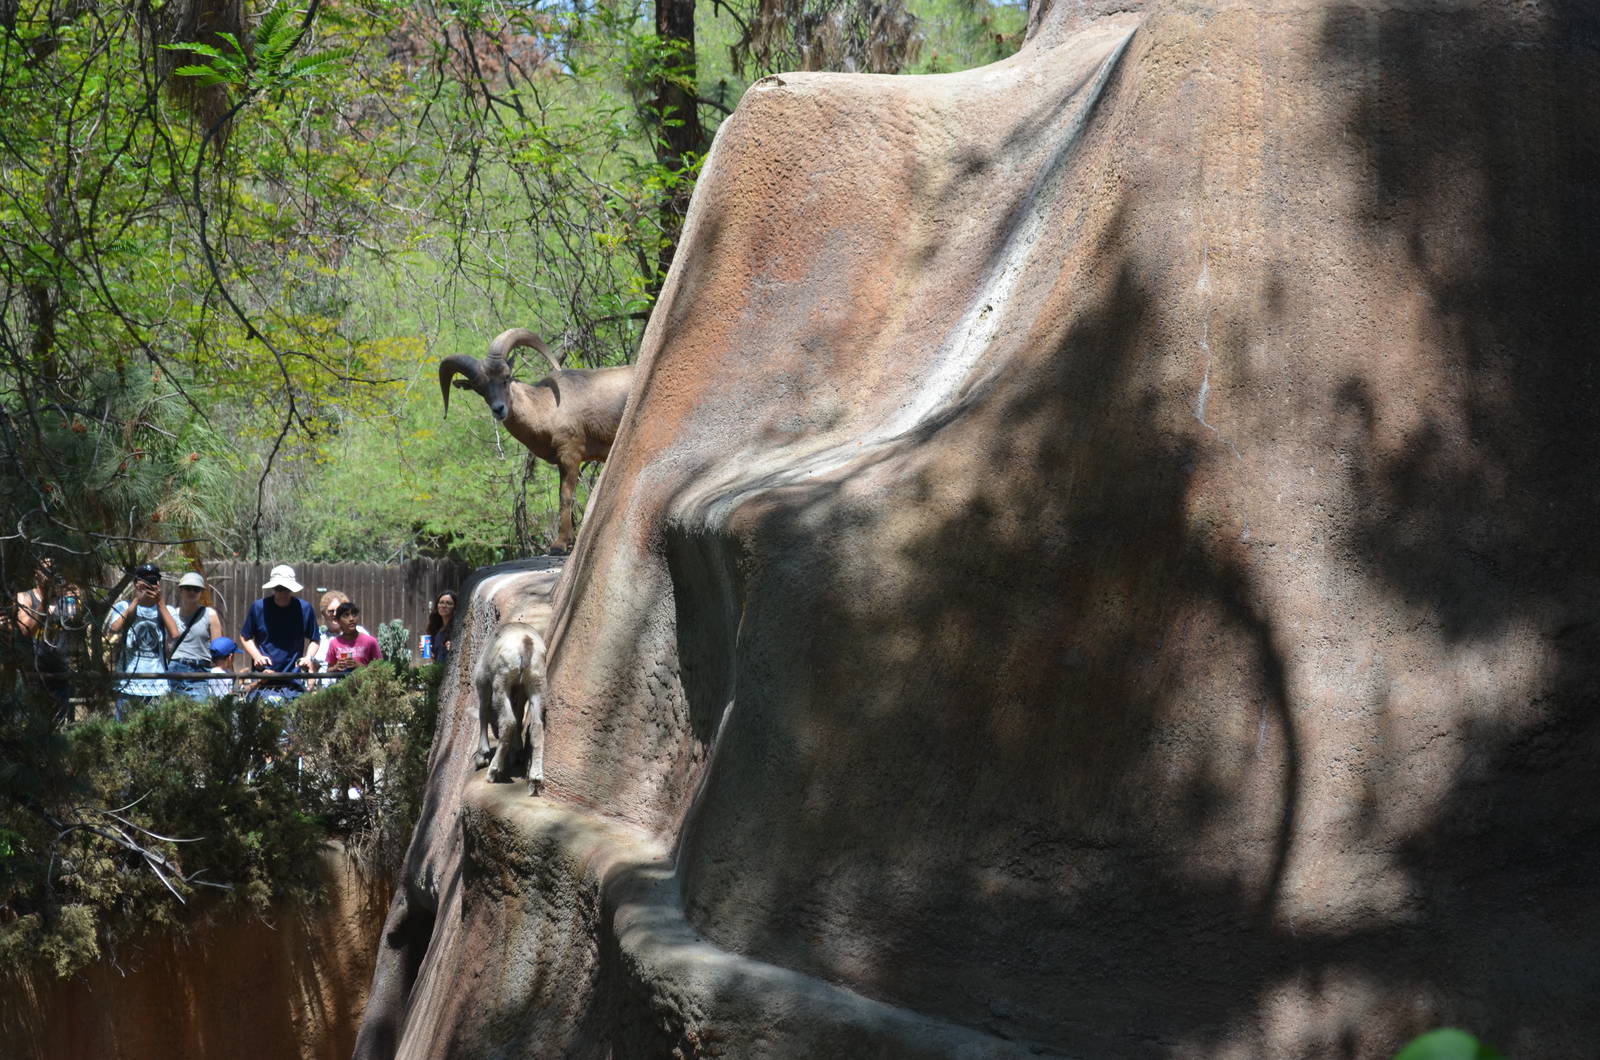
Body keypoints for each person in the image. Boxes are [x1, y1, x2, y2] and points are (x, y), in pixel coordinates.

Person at [106, 562, 177, 717]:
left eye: (152, 582)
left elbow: (175, 634)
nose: (148, 586)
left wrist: (160, 602)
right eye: (144, 582)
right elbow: (114, 628)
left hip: (157, 685)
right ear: (135, 584)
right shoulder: (123, 606)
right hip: (127, 683)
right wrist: (136, 601)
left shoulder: (166, 609)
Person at [238, 564, 318, 700]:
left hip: (294, 681)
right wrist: (257, 656)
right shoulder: (259, 607)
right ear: (273, 589)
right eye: (279, 589)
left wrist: (308, 658)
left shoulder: (304, 609)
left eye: (286, 589)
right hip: (264, 680)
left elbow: (315, 639)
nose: (282, 593)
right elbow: (245, 636)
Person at [166, 571, 221, 700]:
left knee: (199, 716)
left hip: (200, 670)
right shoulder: (172, 614)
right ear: (181, 590)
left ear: (201, 592)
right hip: (175, 668)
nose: (191, 592)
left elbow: (218, 647)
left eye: (196, 589)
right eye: (188, 588)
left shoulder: (210, 614)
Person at [325, 602, 381, 671]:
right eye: (346, 615)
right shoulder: (334, 643)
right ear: (338, 621)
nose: (351, 619)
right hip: (342, 681)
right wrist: (336, 668)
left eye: (354, 615)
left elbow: (380, 668)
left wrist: (360, 667)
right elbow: (328, 670)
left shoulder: (370, 642)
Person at [425, 589, 458, 669]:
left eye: (449, 603)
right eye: (441, 602)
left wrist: (455, 647)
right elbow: (435, 658)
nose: (443, 606)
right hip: (438, 672)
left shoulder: (457, 628)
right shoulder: (436, 628)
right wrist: (429, 652)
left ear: (455, 607)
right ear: (437, 605)